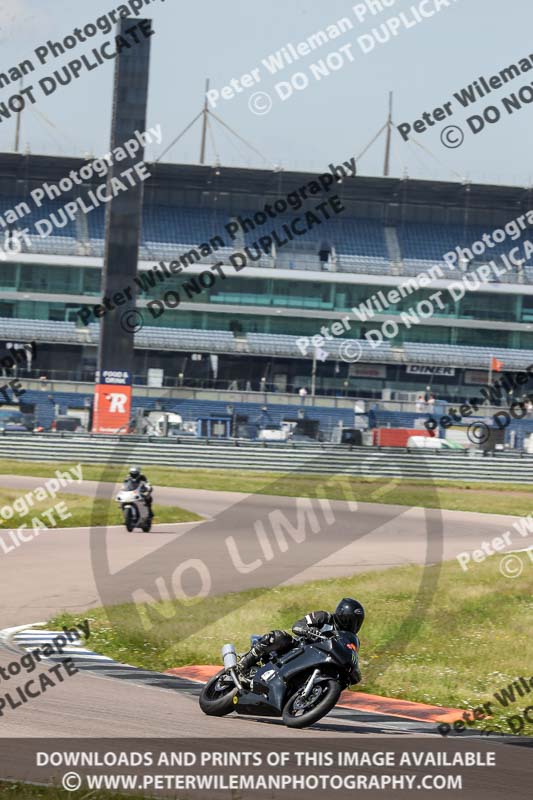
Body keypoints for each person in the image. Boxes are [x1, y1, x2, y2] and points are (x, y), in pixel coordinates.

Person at [238, 598, 364, 683]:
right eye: (350, 620)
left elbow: (350, 654)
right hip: (298, 648)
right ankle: (244, 663)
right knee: (279, 637)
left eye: (356, 622)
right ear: (342, 616)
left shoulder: (349, 639)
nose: (352, 624)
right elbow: (297, 625)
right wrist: (309, 631)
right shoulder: (324, 617)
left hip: (319, 660)